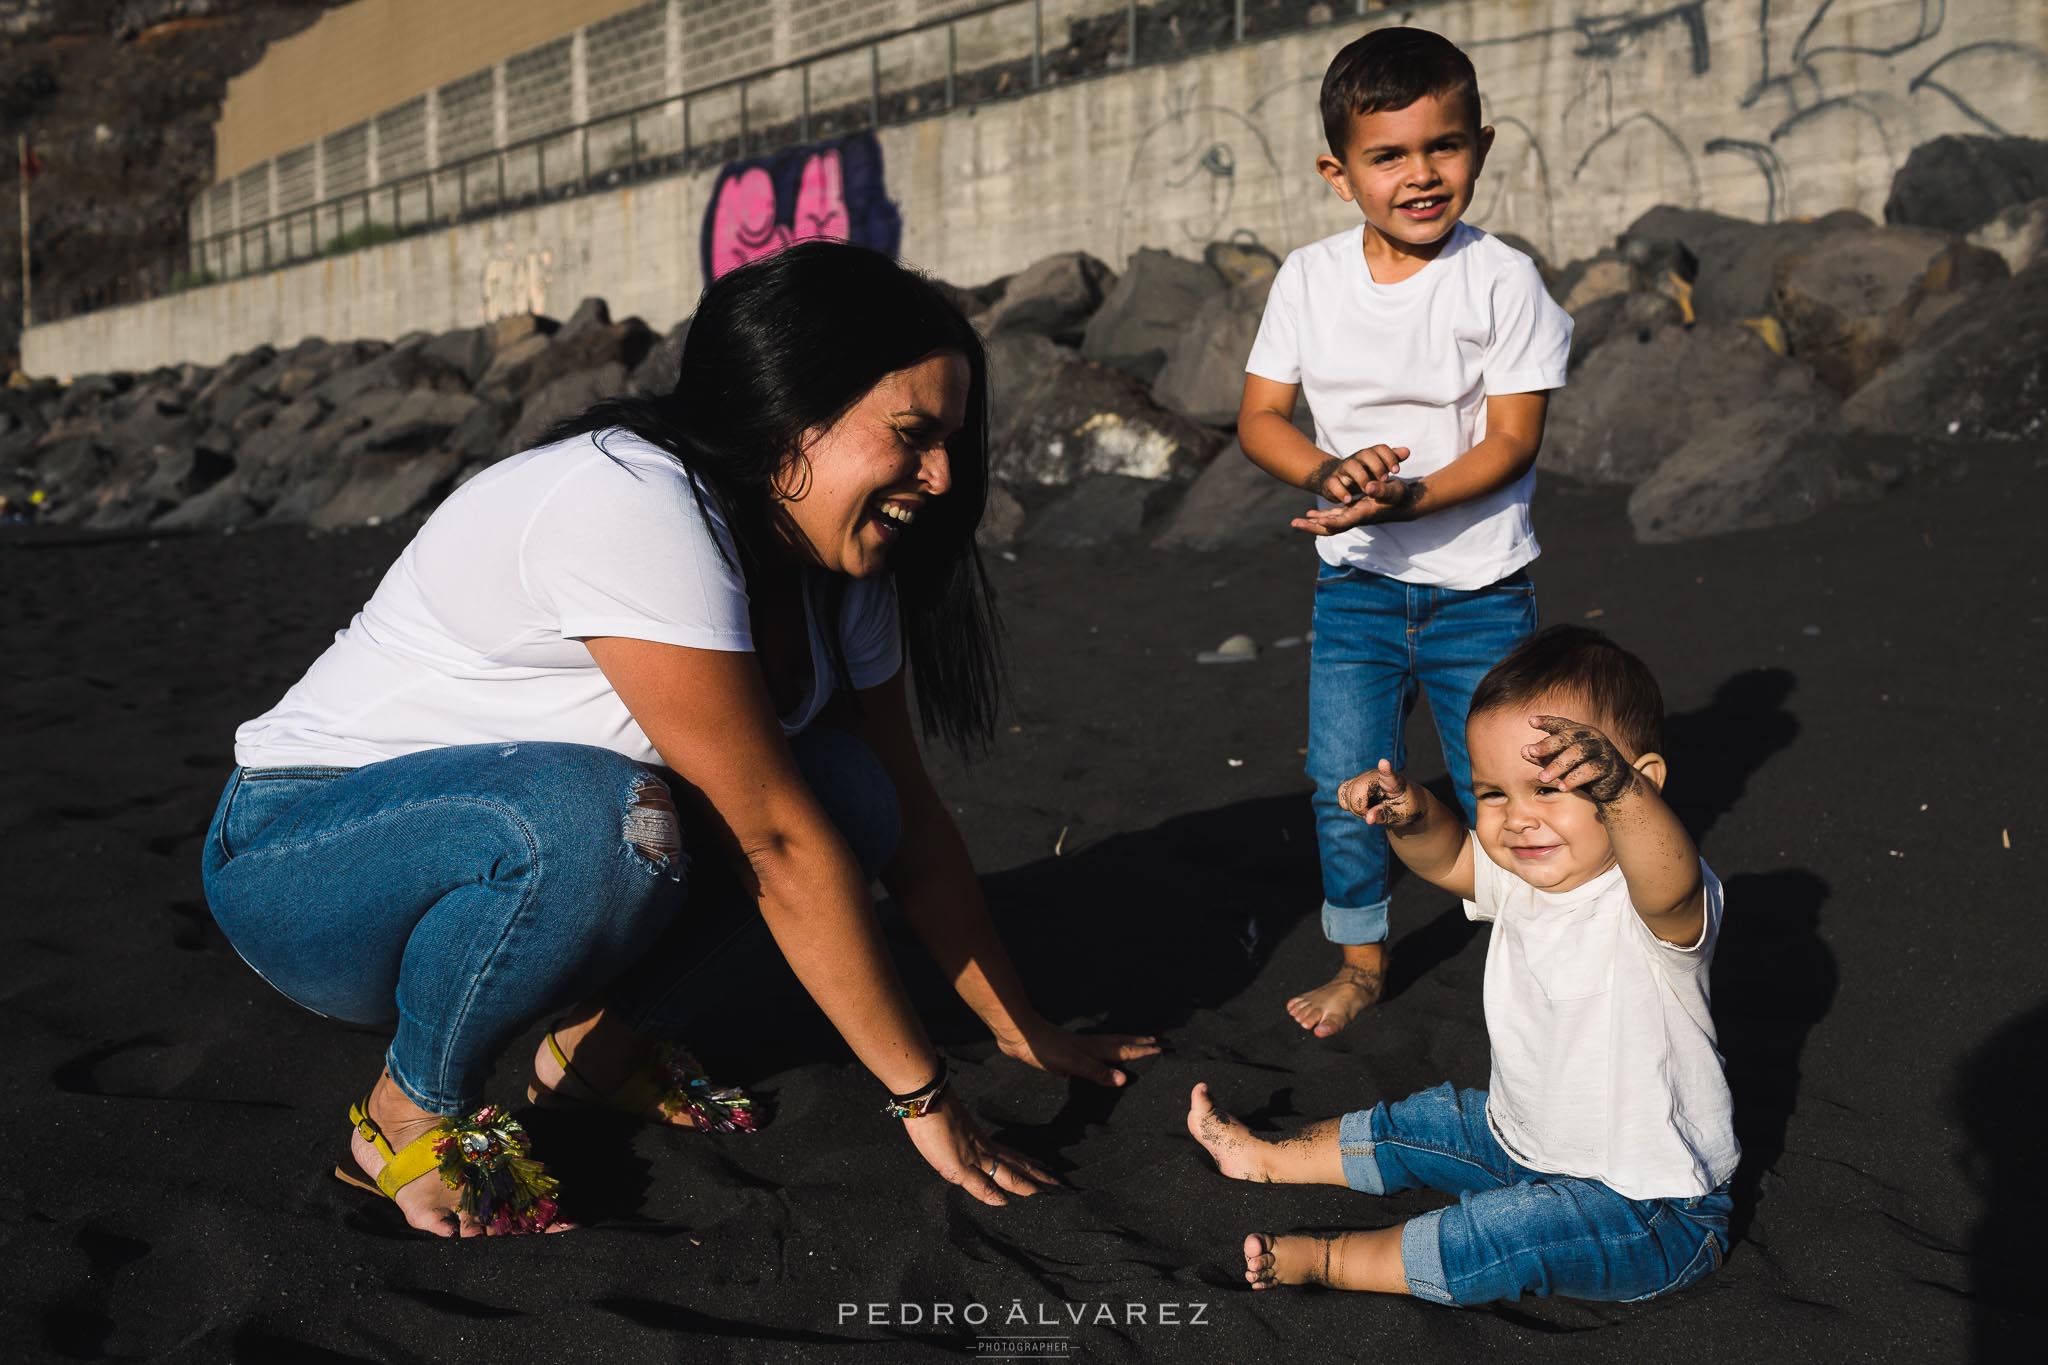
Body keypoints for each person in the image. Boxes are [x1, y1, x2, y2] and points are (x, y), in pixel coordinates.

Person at [201, 241, 1159, 1238]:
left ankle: (592, 1063)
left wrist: (1021, 1029)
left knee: (851, 789)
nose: (942, 474)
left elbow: (906, 818)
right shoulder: (629, 500)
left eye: (953, 440)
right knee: (605, 821)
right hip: (304, 868)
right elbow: (775, 848)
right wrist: (925, 1103)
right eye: (912, 434)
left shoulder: (840, 568)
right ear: (791, 407)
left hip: (517, 864)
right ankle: (410, 1108)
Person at [1188, 626, 1739, 1304]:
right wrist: (1412, 815)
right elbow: (1452, 857)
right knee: (1431, 1121)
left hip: (1650, 1207)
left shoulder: (1651, 902)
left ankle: (1330, 1259)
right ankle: (1270, 1157)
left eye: (1554, 787)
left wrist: (1620, 794)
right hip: (1522, 1140)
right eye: (1495, 793)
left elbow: (1671, 879)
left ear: (1641, 782)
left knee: (1502, 1234)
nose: (1518, 819)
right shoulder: (1524, 878)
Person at [1237, 27, 1572, 1036]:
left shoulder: (1500, 279)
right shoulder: (1306, 279)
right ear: (1338, 174)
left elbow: (1512, 439)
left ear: (1481, 143)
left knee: (1512, 786)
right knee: (1348, 788)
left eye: (1445, 146)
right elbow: (1258, 418)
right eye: (1388, 156)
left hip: (1483, 593)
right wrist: (1326, 472)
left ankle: (1537, 944)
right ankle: (1362, 961)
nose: (1421, 175)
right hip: (1357, 594)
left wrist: (1412, 498)